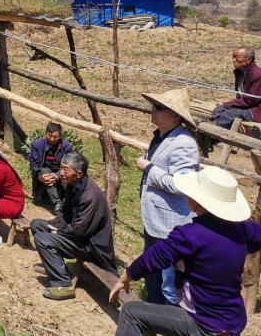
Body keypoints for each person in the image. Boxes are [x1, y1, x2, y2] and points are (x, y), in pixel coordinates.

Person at [110, 166, 261, 336]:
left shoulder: (190, 235)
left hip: (203, 323)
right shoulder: (243, 229)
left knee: (131, 312)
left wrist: (127, 275)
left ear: (197, 200)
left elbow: (155, 256)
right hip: (232, 321)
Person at [136, 87, 200, 305]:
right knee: (153, 273)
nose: (152, 111)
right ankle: (153, 313)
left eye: (158, 107)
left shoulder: (184, 143)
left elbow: (180, 184)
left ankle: (169, 319)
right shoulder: (162, 137)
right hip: (155, 221)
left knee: (169, 282)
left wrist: (148, 168)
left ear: (174, 114)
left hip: (169, 225)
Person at [31, 151, 116, 300]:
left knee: (43, 239)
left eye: (65, 169)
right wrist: (55, 225)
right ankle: (53, 266)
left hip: (91, 247)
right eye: (61, 168)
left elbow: (80, 231)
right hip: (77, 235)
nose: (61, 173)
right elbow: (65, 213)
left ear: (79, 174)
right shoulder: (73, 184)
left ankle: (63, 284)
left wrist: (58, 231)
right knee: (37, 225)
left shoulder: (90, 196)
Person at [29, 123, 73, 216]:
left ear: (60, 136)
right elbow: (35, 165)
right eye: (50, 135)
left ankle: (57, 203)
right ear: (46, 134)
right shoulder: (36, 144)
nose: (52, 139)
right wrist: (40, 177)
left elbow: (66, 166)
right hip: (42, 174)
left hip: (59, 174)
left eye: (55, 137)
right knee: (37, 200)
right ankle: (53, 198)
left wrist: (56, 175)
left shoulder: (66, 147)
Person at [212, 47, 261, 127]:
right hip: (247, 106)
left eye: (236, 57)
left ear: (248, 60)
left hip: (257, 111)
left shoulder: (257, 75)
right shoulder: (240, 72)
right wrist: (226, 105)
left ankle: (214, 133)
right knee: (219, 109)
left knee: (229, 114)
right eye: (233, 57)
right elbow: (241, 97)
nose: (233, 60)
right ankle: (212, 126)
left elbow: (249, 101)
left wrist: (227, 104)